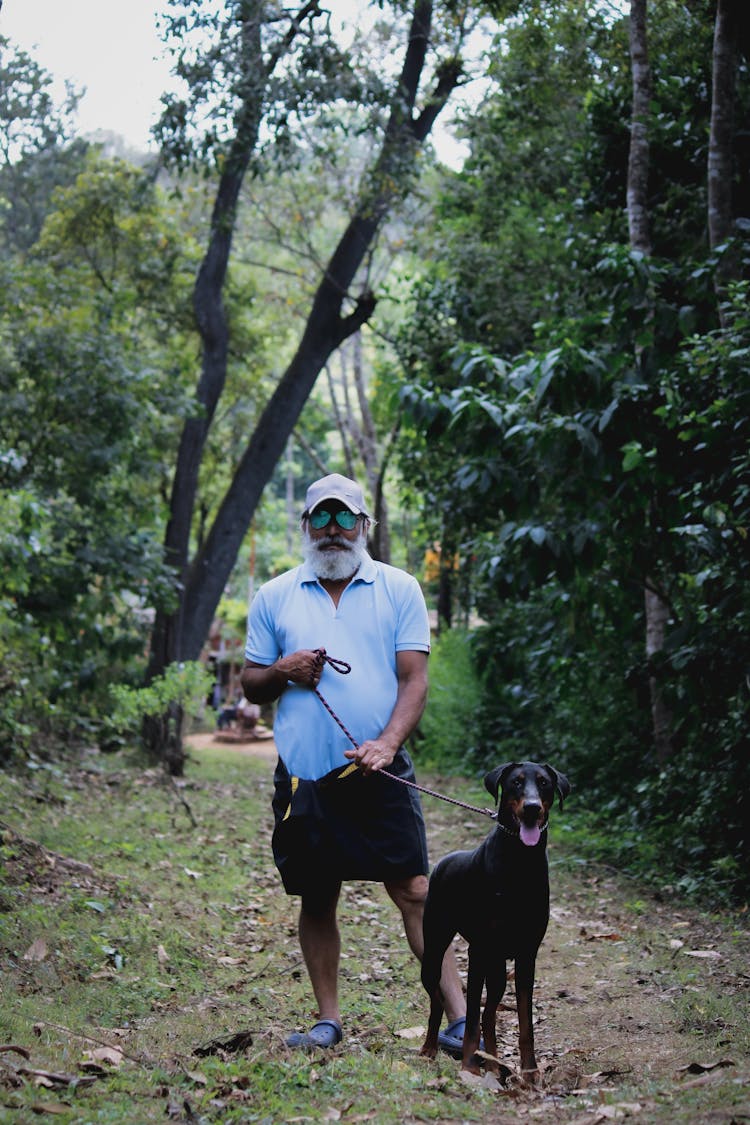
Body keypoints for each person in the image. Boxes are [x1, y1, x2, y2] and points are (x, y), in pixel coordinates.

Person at [240, 473, 468, 1053]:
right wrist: (282, 671)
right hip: (304, 775)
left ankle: (460, 1018)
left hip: (379, 768)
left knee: (415, 889)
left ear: (367, 526)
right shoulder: (275, 595)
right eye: (323, 518)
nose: (335, 530)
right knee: (317, 896)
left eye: (346, 518)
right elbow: (251, 684)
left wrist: (388, 742)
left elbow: (414, 681)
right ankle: (328, 1021)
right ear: (307, 526)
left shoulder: (399, 588)